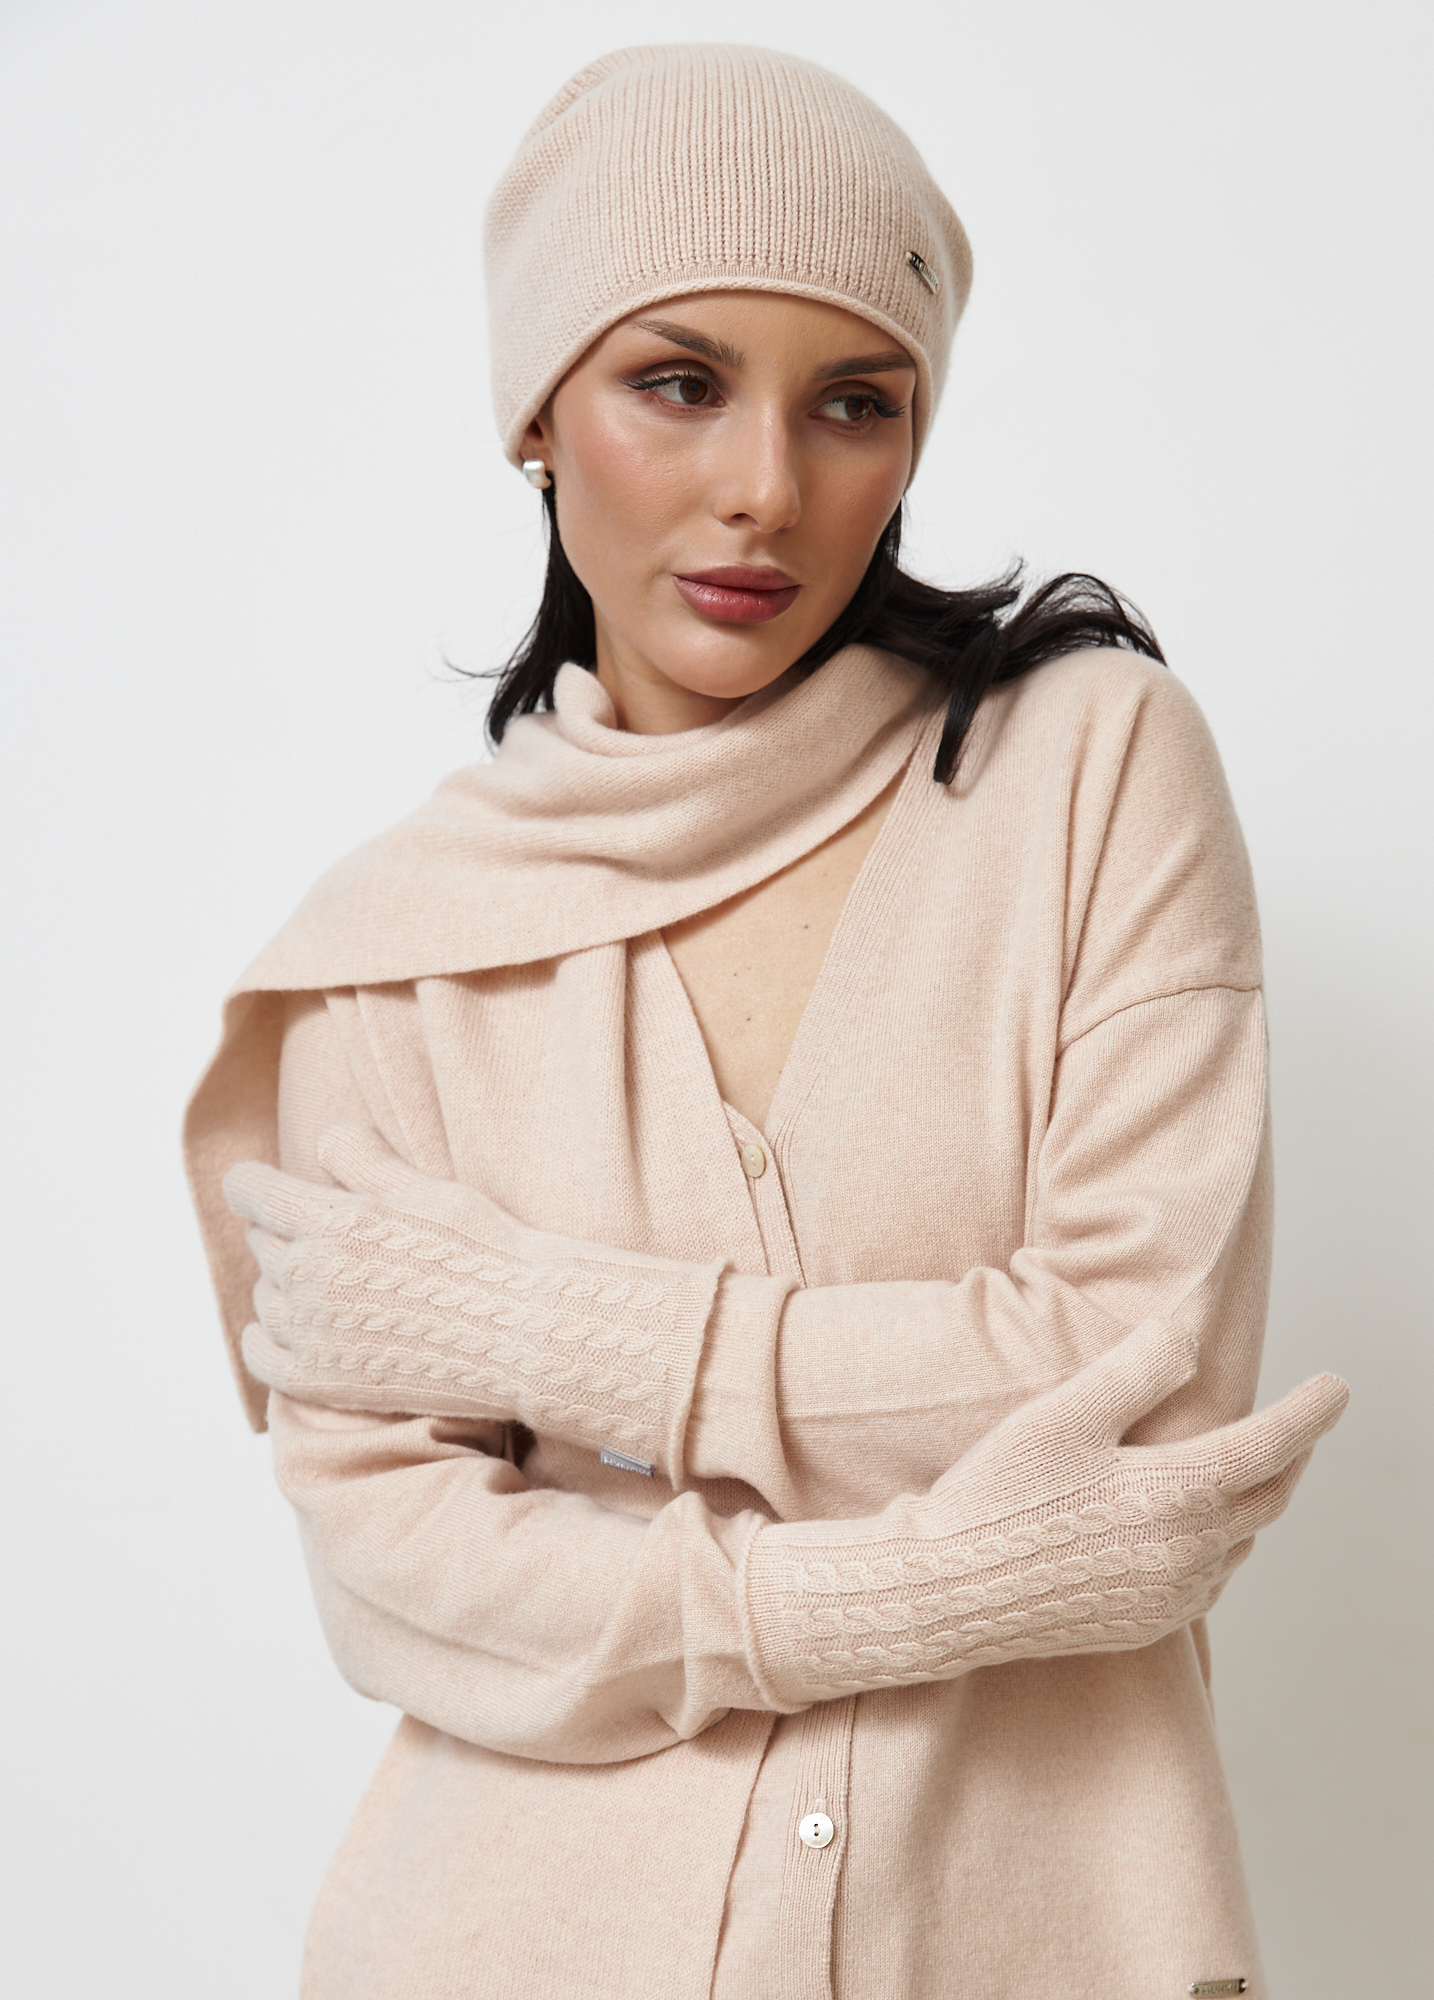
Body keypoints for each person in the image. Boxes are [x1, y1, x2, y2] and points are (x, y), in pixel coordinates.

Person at [184, 43, 1347, 2000]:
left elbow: (1140, 1389)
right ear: (536, 413)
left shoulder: (1085, 771)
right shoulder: (398, 951)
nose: (766, 490)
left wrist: (544, 1336)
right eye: (678, 382)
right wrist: (910, 1587)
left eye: (854, 405)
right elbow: (407, 1578)